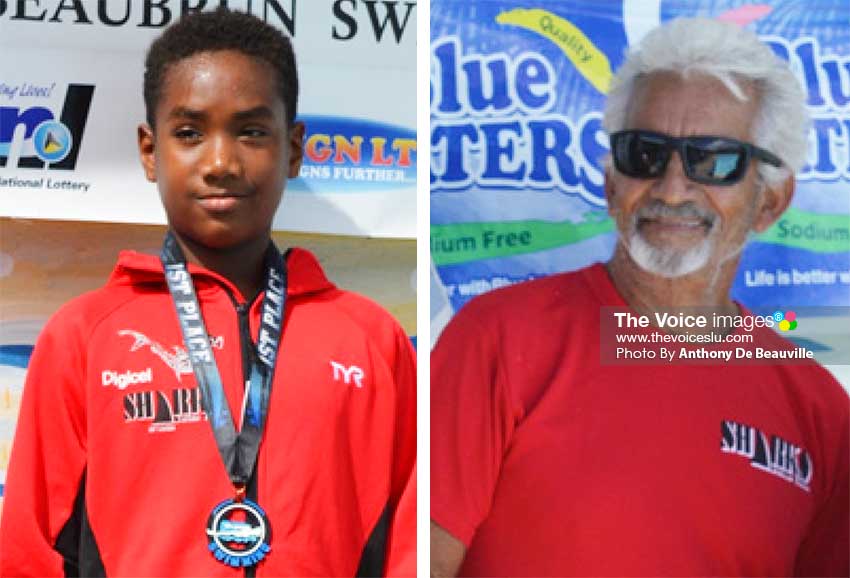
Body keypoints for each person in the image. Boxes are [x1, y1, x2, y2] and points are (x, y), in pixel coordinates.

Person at [0, 8, 416, 576]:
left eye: (251, 131)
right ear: (150, 151)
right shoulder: (84, 337)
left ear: (293, 149)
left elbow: (411, 546)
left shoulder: (371, 339)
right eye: (190, 133)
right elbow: (28, 550)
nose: (220, 163)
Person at [431, 17, 848, 577]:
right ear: (610, 183)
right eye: (644, 153)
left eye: (716, 160)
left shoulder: (820, 409)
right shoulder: (499, 339)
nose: (673, 188)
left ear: (770, 201)